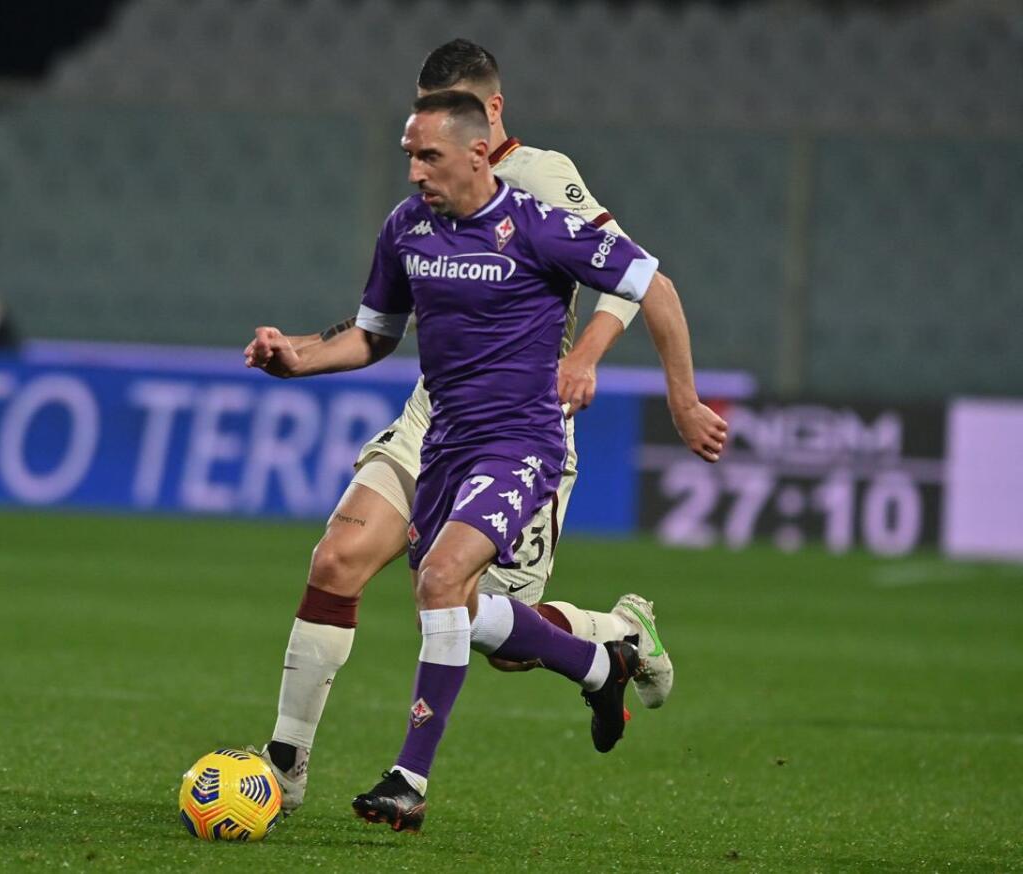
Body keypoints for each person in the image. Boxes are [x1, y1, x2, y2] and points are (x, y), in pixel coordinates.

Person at [249, 39, 728, 814]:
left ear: (485, 124)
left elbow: (639, 280)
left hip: (521, 429)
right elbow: (374, 331)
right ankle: (284, 765)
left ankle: (610, 640)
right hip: (432, 425)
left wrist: (617, 371)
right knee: (344, 562)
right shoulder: (409, 222)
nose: (414, 165)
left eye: (429, 150)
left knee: (458, 607)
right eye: (412, 143)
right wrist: (294, 356)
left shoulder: (541, 192)